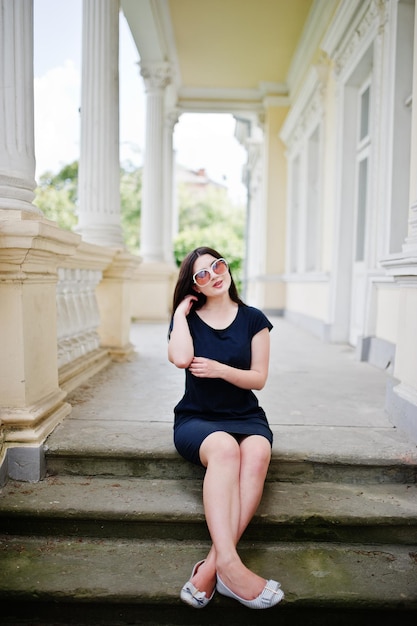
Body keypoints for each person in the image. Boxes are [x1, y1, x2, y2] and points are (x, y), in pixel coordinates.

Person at [168, 246, 284, 610]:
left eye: (217, 265)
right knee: (223, 449)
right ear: (194, 286)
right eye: (202, 274)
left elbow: (259, 379)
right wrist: (180, 315)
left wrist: (220, 369)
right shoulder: (187, 320)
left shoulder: (253, 319)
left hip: (245, 416)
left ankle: (212, 567)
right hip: (197, 418)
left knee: (258, 450)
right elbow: (181, 359)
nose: (214, 274)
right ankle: (232, 567)